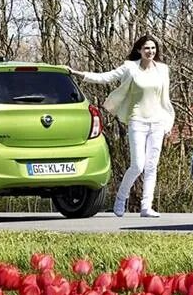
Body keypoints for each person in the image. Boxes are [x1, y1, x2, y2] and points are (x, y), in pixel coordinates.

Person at [76, 34, 177, 218]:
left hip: (157, 122)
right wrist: (80, 74)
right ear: (139, 50)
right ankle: (121, 199)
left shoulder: (162, 70)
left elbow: (166, 100)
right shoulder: (131, 68)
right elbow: (106, 77)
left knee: (151, 166)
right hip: (137, 120)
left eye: (153, 48)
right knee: (138, 165)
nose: (150, 51)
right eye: (146, 48)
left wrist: (168, 123)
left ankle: (146, 207)